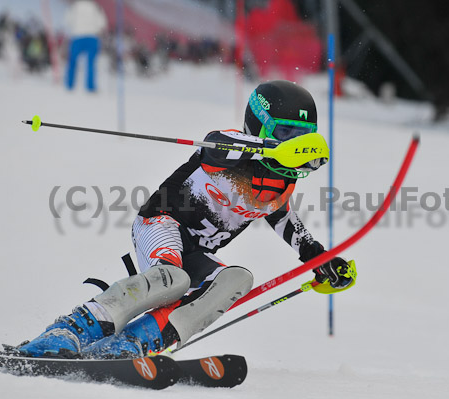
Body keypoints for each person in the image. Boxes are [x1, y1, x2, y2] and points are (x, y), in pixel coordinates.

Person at [18, 80, 357, 359]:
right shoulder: (231, 150)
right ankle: (70, 330)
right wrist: (265, 147)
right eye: (285, 133)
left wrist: (318, 257)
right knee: (173, 278)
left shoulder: (284, 178)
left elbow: (281, 215)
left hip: (196, 250)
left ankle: (134, 344)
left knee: (234, 280)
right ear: (260, 126)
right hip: (161, 223)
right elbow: (216, 145)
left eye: (302, 136)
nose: (294, 144)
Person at [64, 0, 107, 92]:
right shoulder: (96, 7)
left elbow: (67, 21)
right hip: (92, 37)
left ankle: (69, 85)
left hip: (77, 36)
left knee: (72, 61)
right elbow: (102, 23)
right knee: (91, 63)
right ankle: (90, 86)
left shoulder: (74, 6)